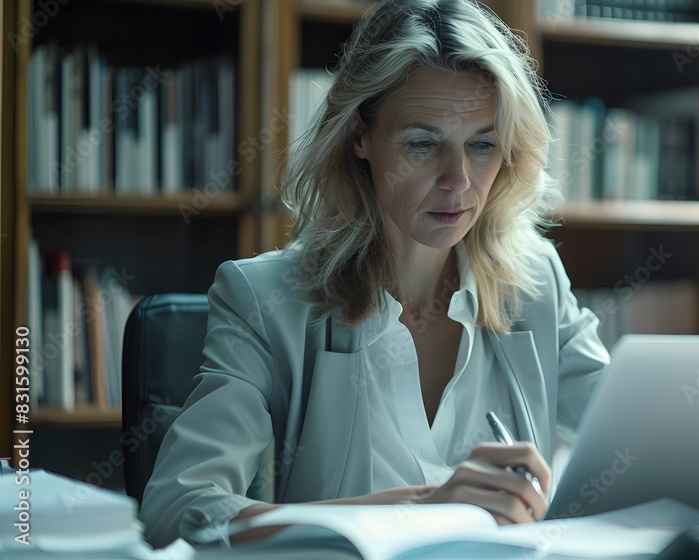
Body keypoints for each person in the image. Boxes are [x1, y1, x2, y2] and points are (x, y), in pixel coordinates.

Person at [138, 0, 610, 548]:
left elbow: (641, 442)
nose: (458, 181)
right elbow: (179, 509)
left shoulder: (535, 280)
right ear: (358, 136)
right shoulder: (264, 299)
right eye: (423, 143)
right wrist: (425, 506)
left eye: (482, 143)